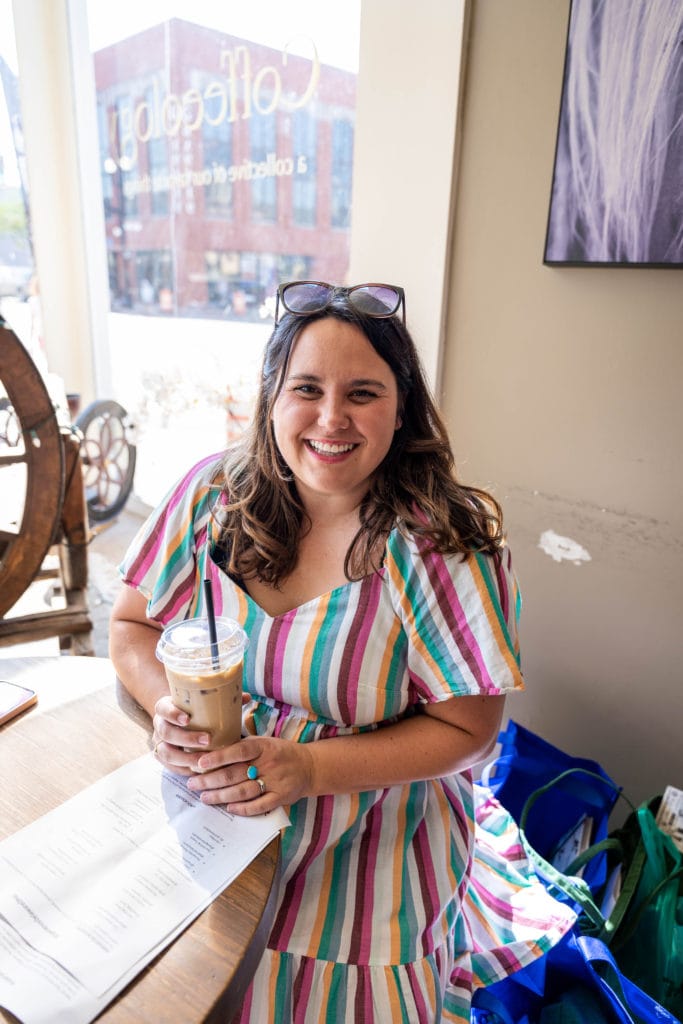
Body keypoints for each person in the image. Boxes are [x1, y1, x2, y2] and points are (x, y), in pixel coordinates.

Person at [110, 281, 575, 1023]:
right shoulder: (208, 498)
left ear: (401, 407)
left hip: (370, 854)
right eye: (306, 388)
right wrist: (162, 704)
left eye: (363, 392)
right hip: (214, 831)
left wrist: (309, 768)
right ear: (271, 398)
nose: (332, 419)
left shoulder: (445, 546)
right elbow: (132, 626)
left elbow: (469, 730)